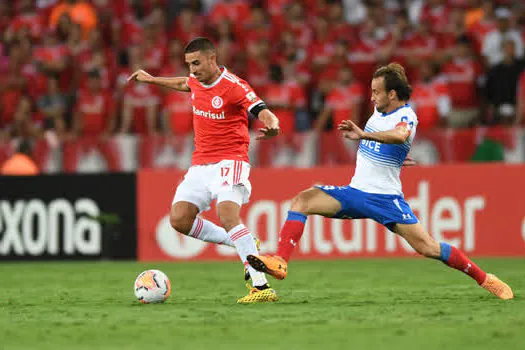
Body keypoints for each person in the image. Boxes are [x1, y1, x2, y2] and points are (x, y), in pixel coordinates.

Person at [247, 63, 514, 300]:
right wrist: (397, 157)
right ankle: (280, 261)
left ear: (392, 94)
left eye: (376, 91)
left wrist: (365, 136)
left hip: (386, 199)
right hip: (356, 192)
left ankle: (485, 279)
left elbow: (400, 135)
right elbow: (392, 143)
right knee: (302, 199)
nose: (371, 96)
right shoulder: (377, 112)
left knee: (429, 247)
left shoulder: (407, 115)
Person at [128, 37, 281, 303]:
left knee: (228, 215)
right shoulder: (195, 81)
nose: (193, 69)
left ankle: (260, 286)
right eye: (189, 64)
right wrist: (151, 80)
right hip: (200, 164)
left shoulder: (235, 86)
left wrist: (273, 124)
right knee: (179, 220)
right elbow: (182, 83)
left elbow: (261, 109)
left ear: (213, 58)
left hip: (230, 161)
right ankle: (245, 244)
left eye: (197, 63)